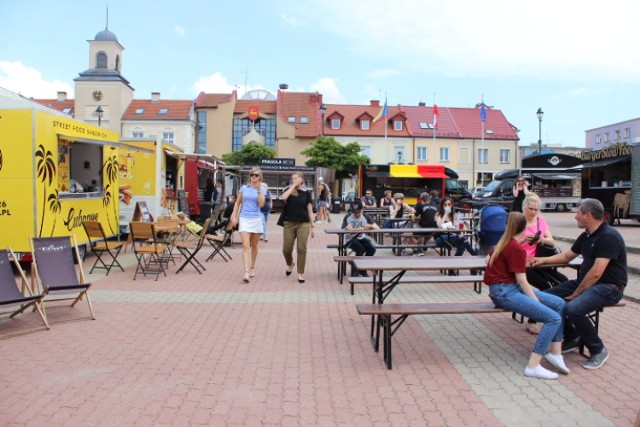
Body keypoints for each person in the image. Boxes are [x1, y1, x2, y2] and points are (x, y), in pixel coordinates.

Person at [532, 198, 626, 370]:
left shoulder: (609, 236)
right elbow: (567, 256)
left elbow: (597, 272)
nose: (575, 217)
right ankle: (573, 336)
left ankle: (598, 349)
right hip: (588, 282)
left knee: (573, 308)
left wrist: (577, 293)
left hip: (609, 287)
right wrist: (542, 260)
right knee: (546, 299)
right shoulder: (586, 235)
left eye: (578, 213)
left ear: (588, 215)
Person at [484, 211, 569, 380]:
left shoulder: (505, 242)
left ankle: (556, 354)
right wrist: (536, 301)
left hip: (503, 289)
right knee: (553, 318)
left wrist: (520, 241)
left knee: (559, 303)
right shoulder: (515, 249)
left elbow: (488, 260)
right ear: (524, 228)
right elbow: (523, 281)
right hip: (506, 292)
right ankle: (533, 366)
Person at [519, 192, 567, 334]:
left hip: (540, 261)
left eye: (536, 209)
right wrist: (523, 240)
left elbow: (551, 241)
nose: (533, 212)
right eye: (531, 209)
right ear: (524, 207)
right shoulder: (519, 221)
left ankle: (564, 315)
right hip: (523, 265)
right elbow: (508, 243)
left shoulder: (541, 221)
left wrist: (541, 240)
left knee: (563, 282)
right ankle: (534, 319)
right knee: (545, 287)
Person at [230, 168, 267, 283]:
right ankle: (246, 271)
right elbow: (237, 202)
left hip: (256, 218)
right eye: (252, 175)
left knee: (254, 245)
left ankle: (253, 267)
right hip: (244, 218)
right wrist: (234, 216)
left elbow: (261, 204)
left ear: (260, 177)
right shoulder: (244, 188)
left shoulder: (263, 189)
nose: (254, 177)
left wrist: (259, 190)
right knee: (246, 245)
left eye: (256, 175)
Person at [281, 172, 315, 283]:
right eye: (292, 179)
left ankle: (300, 273)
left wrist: (313, 226)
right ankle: (290, 263)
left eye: (296, 178)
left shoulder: (307, 193)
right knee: (286, 249)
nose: (294, 180)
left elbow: (310, 211)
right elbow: (284, 198)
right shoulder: (289, 191)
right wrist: (292, 186)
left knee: (301, 249)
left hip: (303, 224)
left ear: (301, 179)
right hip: (289, 223)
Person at [341, 201, 379, 277]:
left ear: (362, 209)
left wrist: (370, 226)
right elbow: (342, 230)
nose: (356, 214)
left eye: (358, 212)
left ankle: (362, 269)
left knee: (372, 249)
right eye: (354, 212)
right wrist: (346, 228)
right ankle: (355, 271)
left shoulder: (366, 216)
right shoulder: (348, 216)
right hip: (350, 239)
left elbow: (377, 227)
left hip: (361, 238)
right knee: (360, 249)